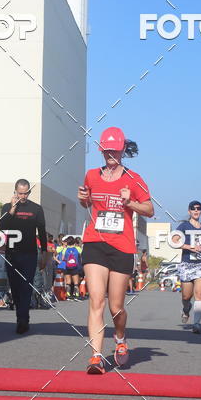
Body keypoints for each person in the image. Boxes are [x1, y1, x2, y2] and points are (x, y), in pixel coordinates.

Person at [78, 127, 154, 373]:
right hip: (95, 242)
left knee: (116, 307)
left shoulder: (133, 178)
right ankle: (96, 357)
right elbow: (87, 202)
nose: (110, 154)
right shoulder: (92, 175)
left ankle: (120, 338)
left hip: (122, 246)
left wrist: (129, 202)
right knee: (96, 300)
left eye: (114, 150)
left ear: (122, 150)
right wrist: (83, 198)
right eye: (106, 150)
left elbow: (149, 209)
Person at [0, 179, 48, 334]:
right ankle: (20, 316)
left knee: (26, 286)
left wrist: (44, 252)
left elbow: (42, 231)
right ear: (15, 192)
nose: (23, 196)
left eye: (26, 193)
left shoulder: (36, 209)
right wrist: (12, 209)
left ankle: (23, 319)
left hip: (30, 253)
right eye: (20, 193)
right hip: (11, 254)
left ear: (29, 192)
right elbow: (2, 226)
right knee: (15, 288)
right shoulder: (7, 207)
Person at [175, 201, 201, 334]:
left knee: (199, 294)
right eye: (193, 209)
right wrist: (189, 247)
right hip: (187, 264)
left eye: (198, 208)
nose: (196, 210)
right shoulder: (183, 226)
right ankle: (186, 309)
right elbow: (174, 241)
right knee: (186, 297)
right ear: (189, 211)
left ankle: (197, 323)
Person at [62, 235, 82, 299]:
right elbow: (80, 256)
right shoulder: (78, 249)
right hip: (75, 267)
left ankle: (68, 294)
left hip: (67, 267)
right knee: (76, 282)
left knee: (68, 282)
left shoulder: (65, 249)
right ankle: (76, 294)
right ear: (74, 242)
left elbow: (62, 258)